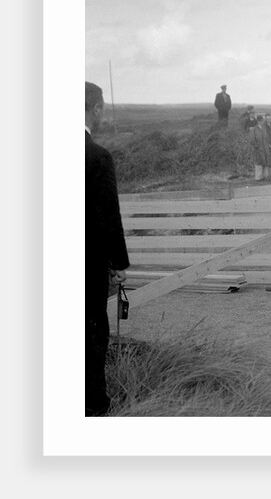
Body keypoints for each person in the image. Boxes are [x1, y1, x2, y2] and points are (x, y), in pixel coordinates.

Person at [85, 81, 130, 416]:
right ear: (96, 109)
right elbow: (106, 215)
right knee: (91, 332)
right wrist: (118, 262)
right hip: (85, 264)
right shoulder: (96, 157)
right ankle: (93, 407)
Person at [249, 114, 271, 181]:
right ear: (257, 121)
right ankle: (258, 178)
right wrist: (256, 146)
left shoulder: (264, 129)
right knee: (258, 163)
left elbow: (268, 137)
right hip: (258, 149)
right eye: (259, 120)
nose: (261, 122)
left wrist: (269, 145)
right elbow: (252, 140)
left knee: (266, 162)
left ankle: (265, 176)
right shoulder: (254, 130)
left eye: (261, 120)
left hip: (265, 148)